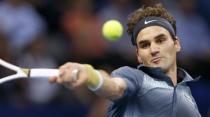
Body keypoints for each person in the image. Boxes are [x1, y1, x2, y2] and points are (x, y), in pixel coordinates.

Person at [49, 4, 201, 117]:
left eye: (160, 40)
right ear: (138, 55)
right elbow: (115, 86)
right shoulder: (136, 79)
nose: (154, 49)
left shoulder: (187, 101)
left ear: (176, 44)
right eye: (145, 45)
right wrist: (90, 75)